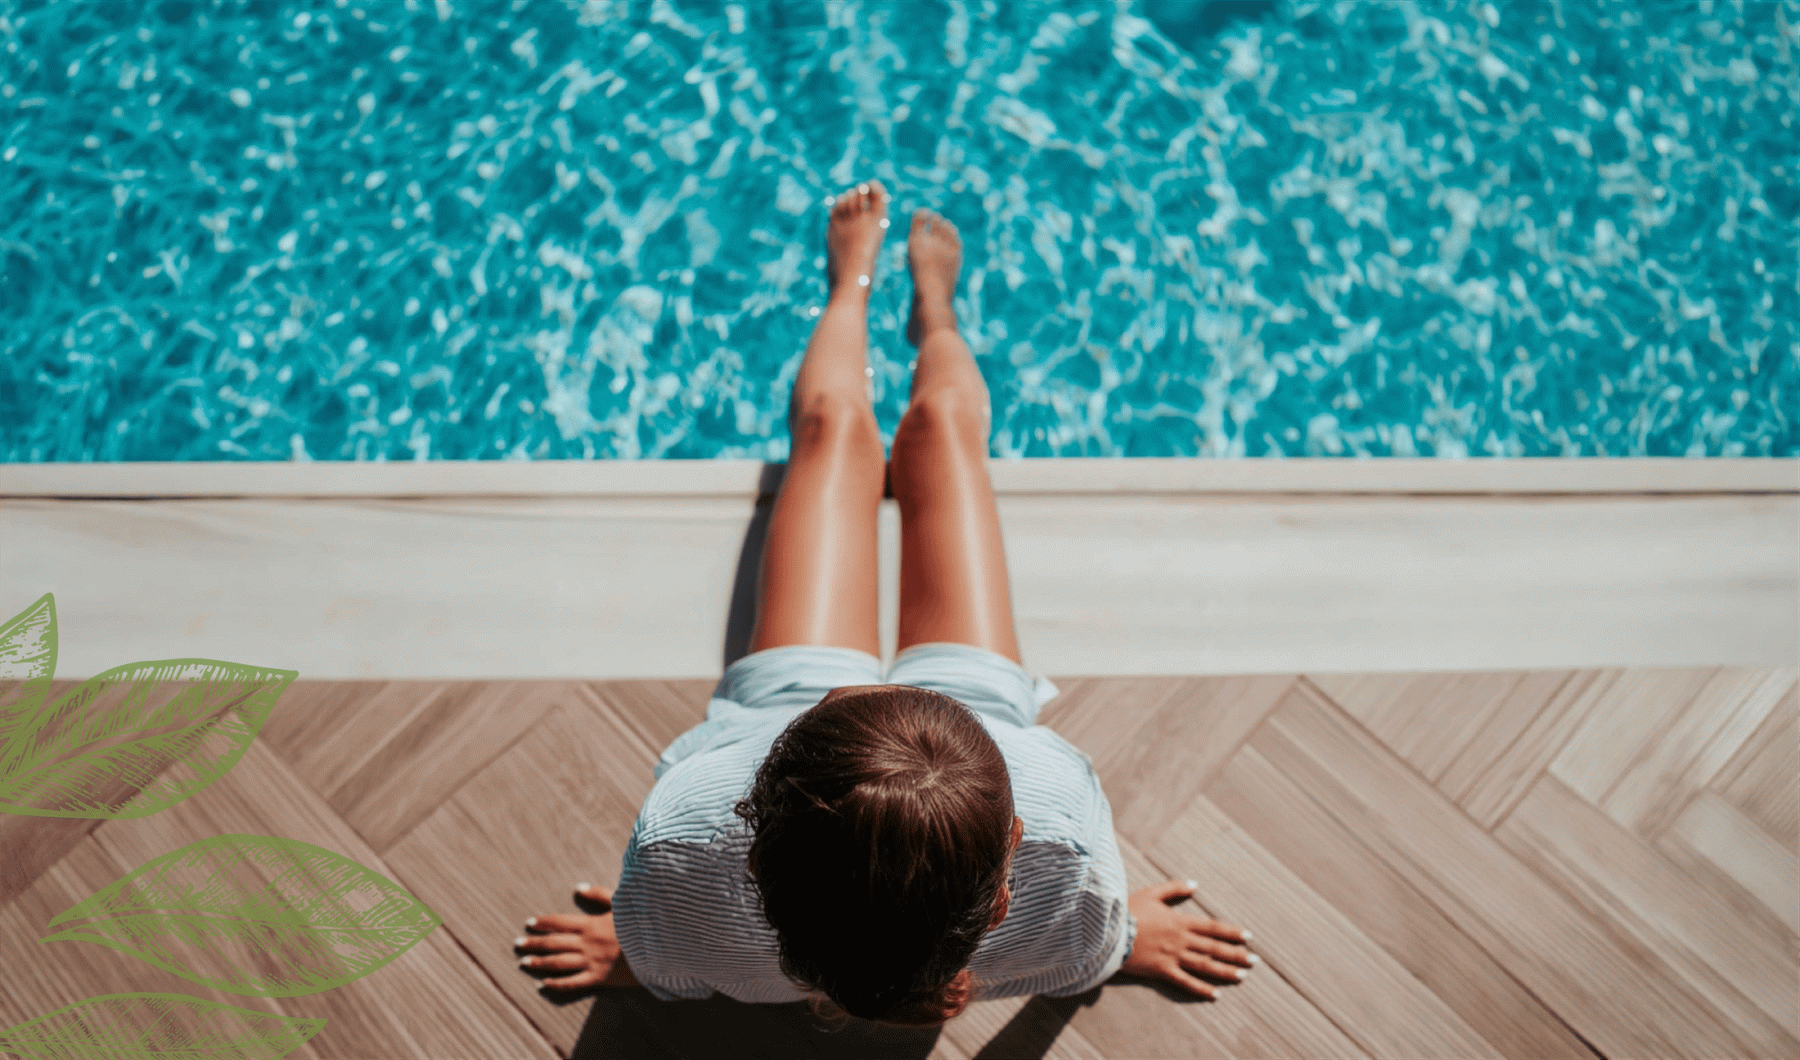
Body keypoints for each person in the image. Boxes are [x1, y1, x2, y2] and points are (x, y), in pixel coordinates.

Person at [514, 180, 1257, 1026]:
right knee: (943, 432)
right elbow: (1091, 941)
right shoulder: (1062, 833)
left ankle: (850, 287)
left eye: (842, 701)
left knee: (833, 431)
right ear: (1010, 871)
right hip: (936, 745)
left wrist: (640, 957)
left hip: (820, 741)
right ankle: (935, 314)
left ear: (753, 844)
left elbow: (667, 951)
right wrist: (1117, 946)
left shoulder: (683, 842)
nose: (861, 682)